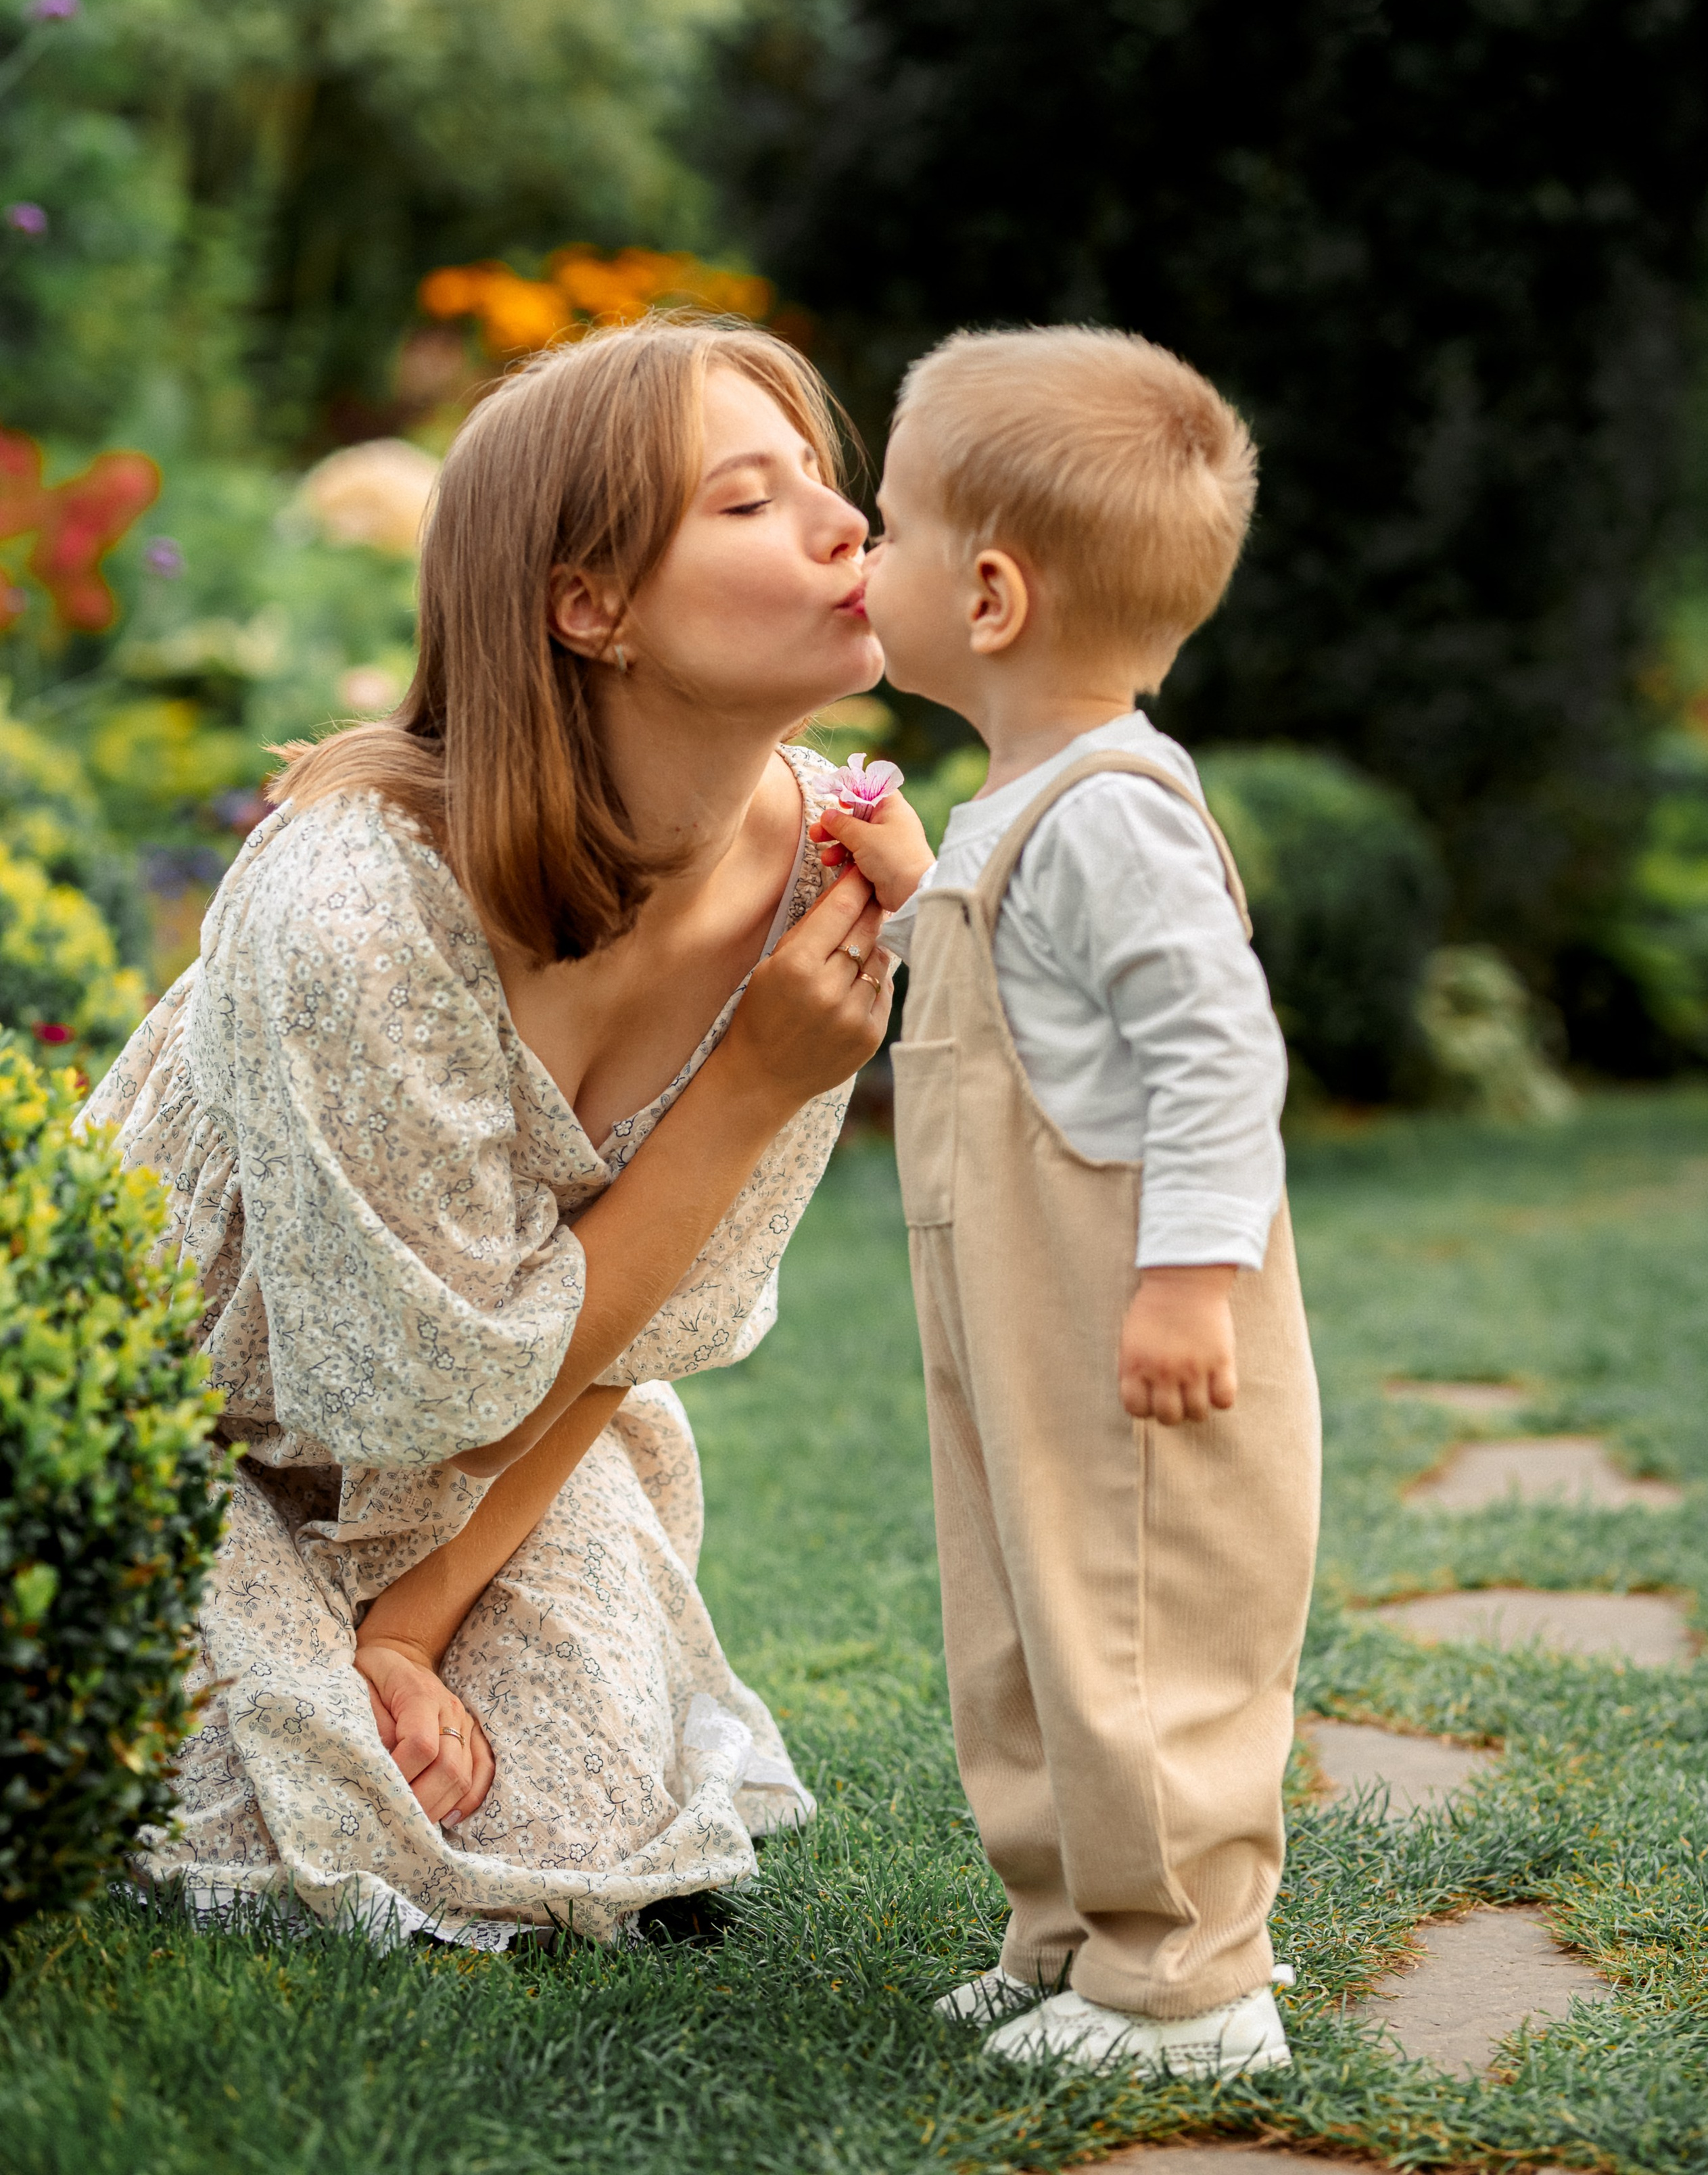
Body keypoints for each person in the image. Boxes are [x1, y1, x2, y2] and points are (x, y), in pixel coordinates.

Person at [85, 315, 897, 1944]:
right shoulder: (359, 906)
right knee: (299, 1809)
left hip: (492, 1472)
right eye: (750, 502)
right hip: (183, 1431)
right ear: (587, 606)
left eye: (827, 482)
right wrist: (748, 1085)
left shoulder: (823, 881)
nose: (841, 526)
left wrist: (409, 1625)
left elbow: (630, 1335)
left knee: (577, 1814)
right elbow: (420, 1384)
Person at [815, 326, 1322, 2075]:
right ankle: (1073, 1930)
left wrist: (1191, 1277)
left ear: (995, 590)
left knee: (1137, 1627)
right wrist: (909, 881)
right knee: (1023, 1620)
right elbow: (1006, 972)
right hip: (1015, 1319)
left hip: (1123, 1313)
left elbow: (1214, 1053)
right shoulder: (1022, 803)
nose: (854, 550)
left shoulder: (1116, 813)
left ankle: (1193, 1983)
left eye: (881, 523)